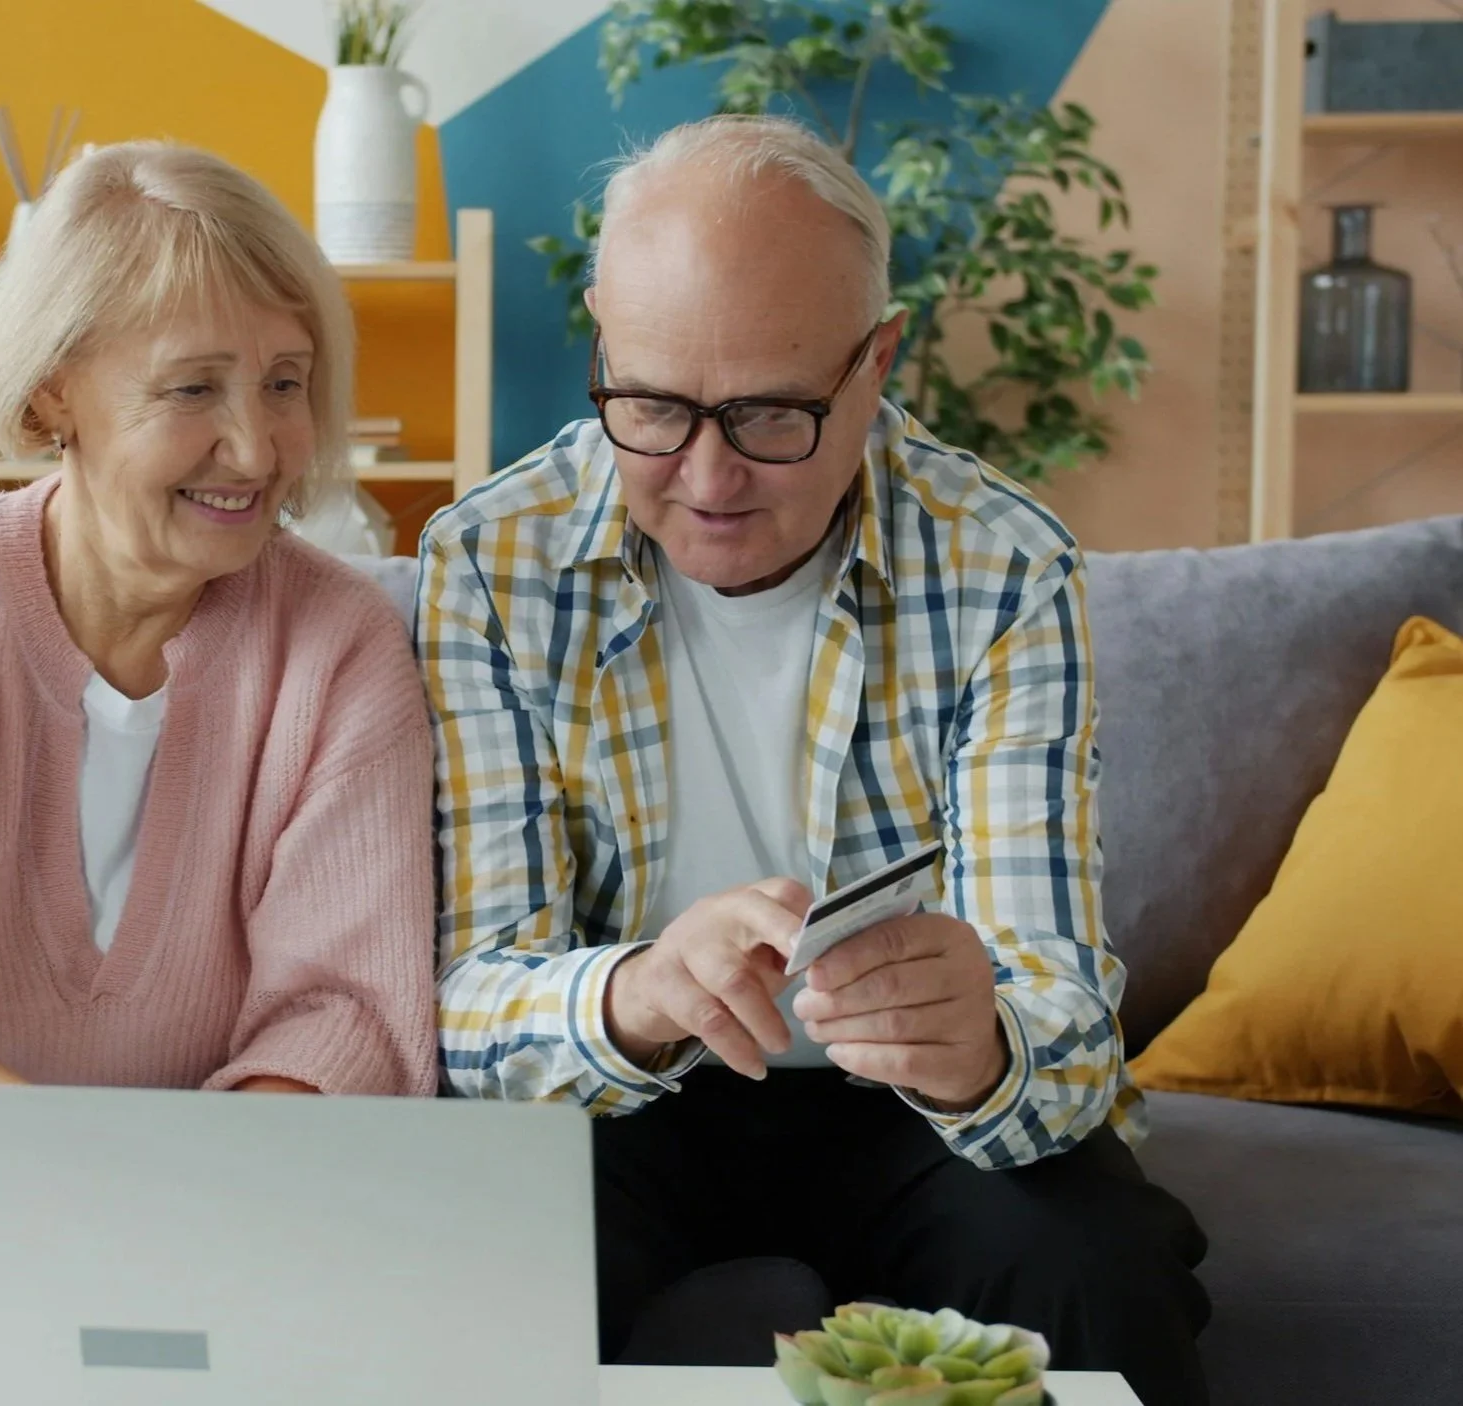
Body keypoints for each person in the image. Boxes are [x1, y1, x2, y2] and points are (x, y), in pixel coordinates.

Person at [417, 115, 1210, 1403]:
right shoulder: (488, 564)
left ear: (877, 360)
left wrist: (985, 1049)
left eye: (774, 413)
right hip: (617, 1096)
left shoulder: (1005, 564)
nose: (710, 477)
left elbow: (1065, 1020)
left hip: (908, 1107)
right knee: (445, 1270)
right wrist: (643, 988)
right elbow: (467, 1003)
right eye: (656, 409)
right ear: (606, 352)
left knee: (1097, 1267)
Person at [0, 141, 436, 1101]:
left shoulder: (341, 645)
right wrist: (56, 1175)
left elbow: (342, 1014)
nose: (251, 448)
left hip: (217, 1191)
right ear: (52, 388)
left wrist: (171, 1203)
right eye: (192, 388)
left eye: (284, 383)